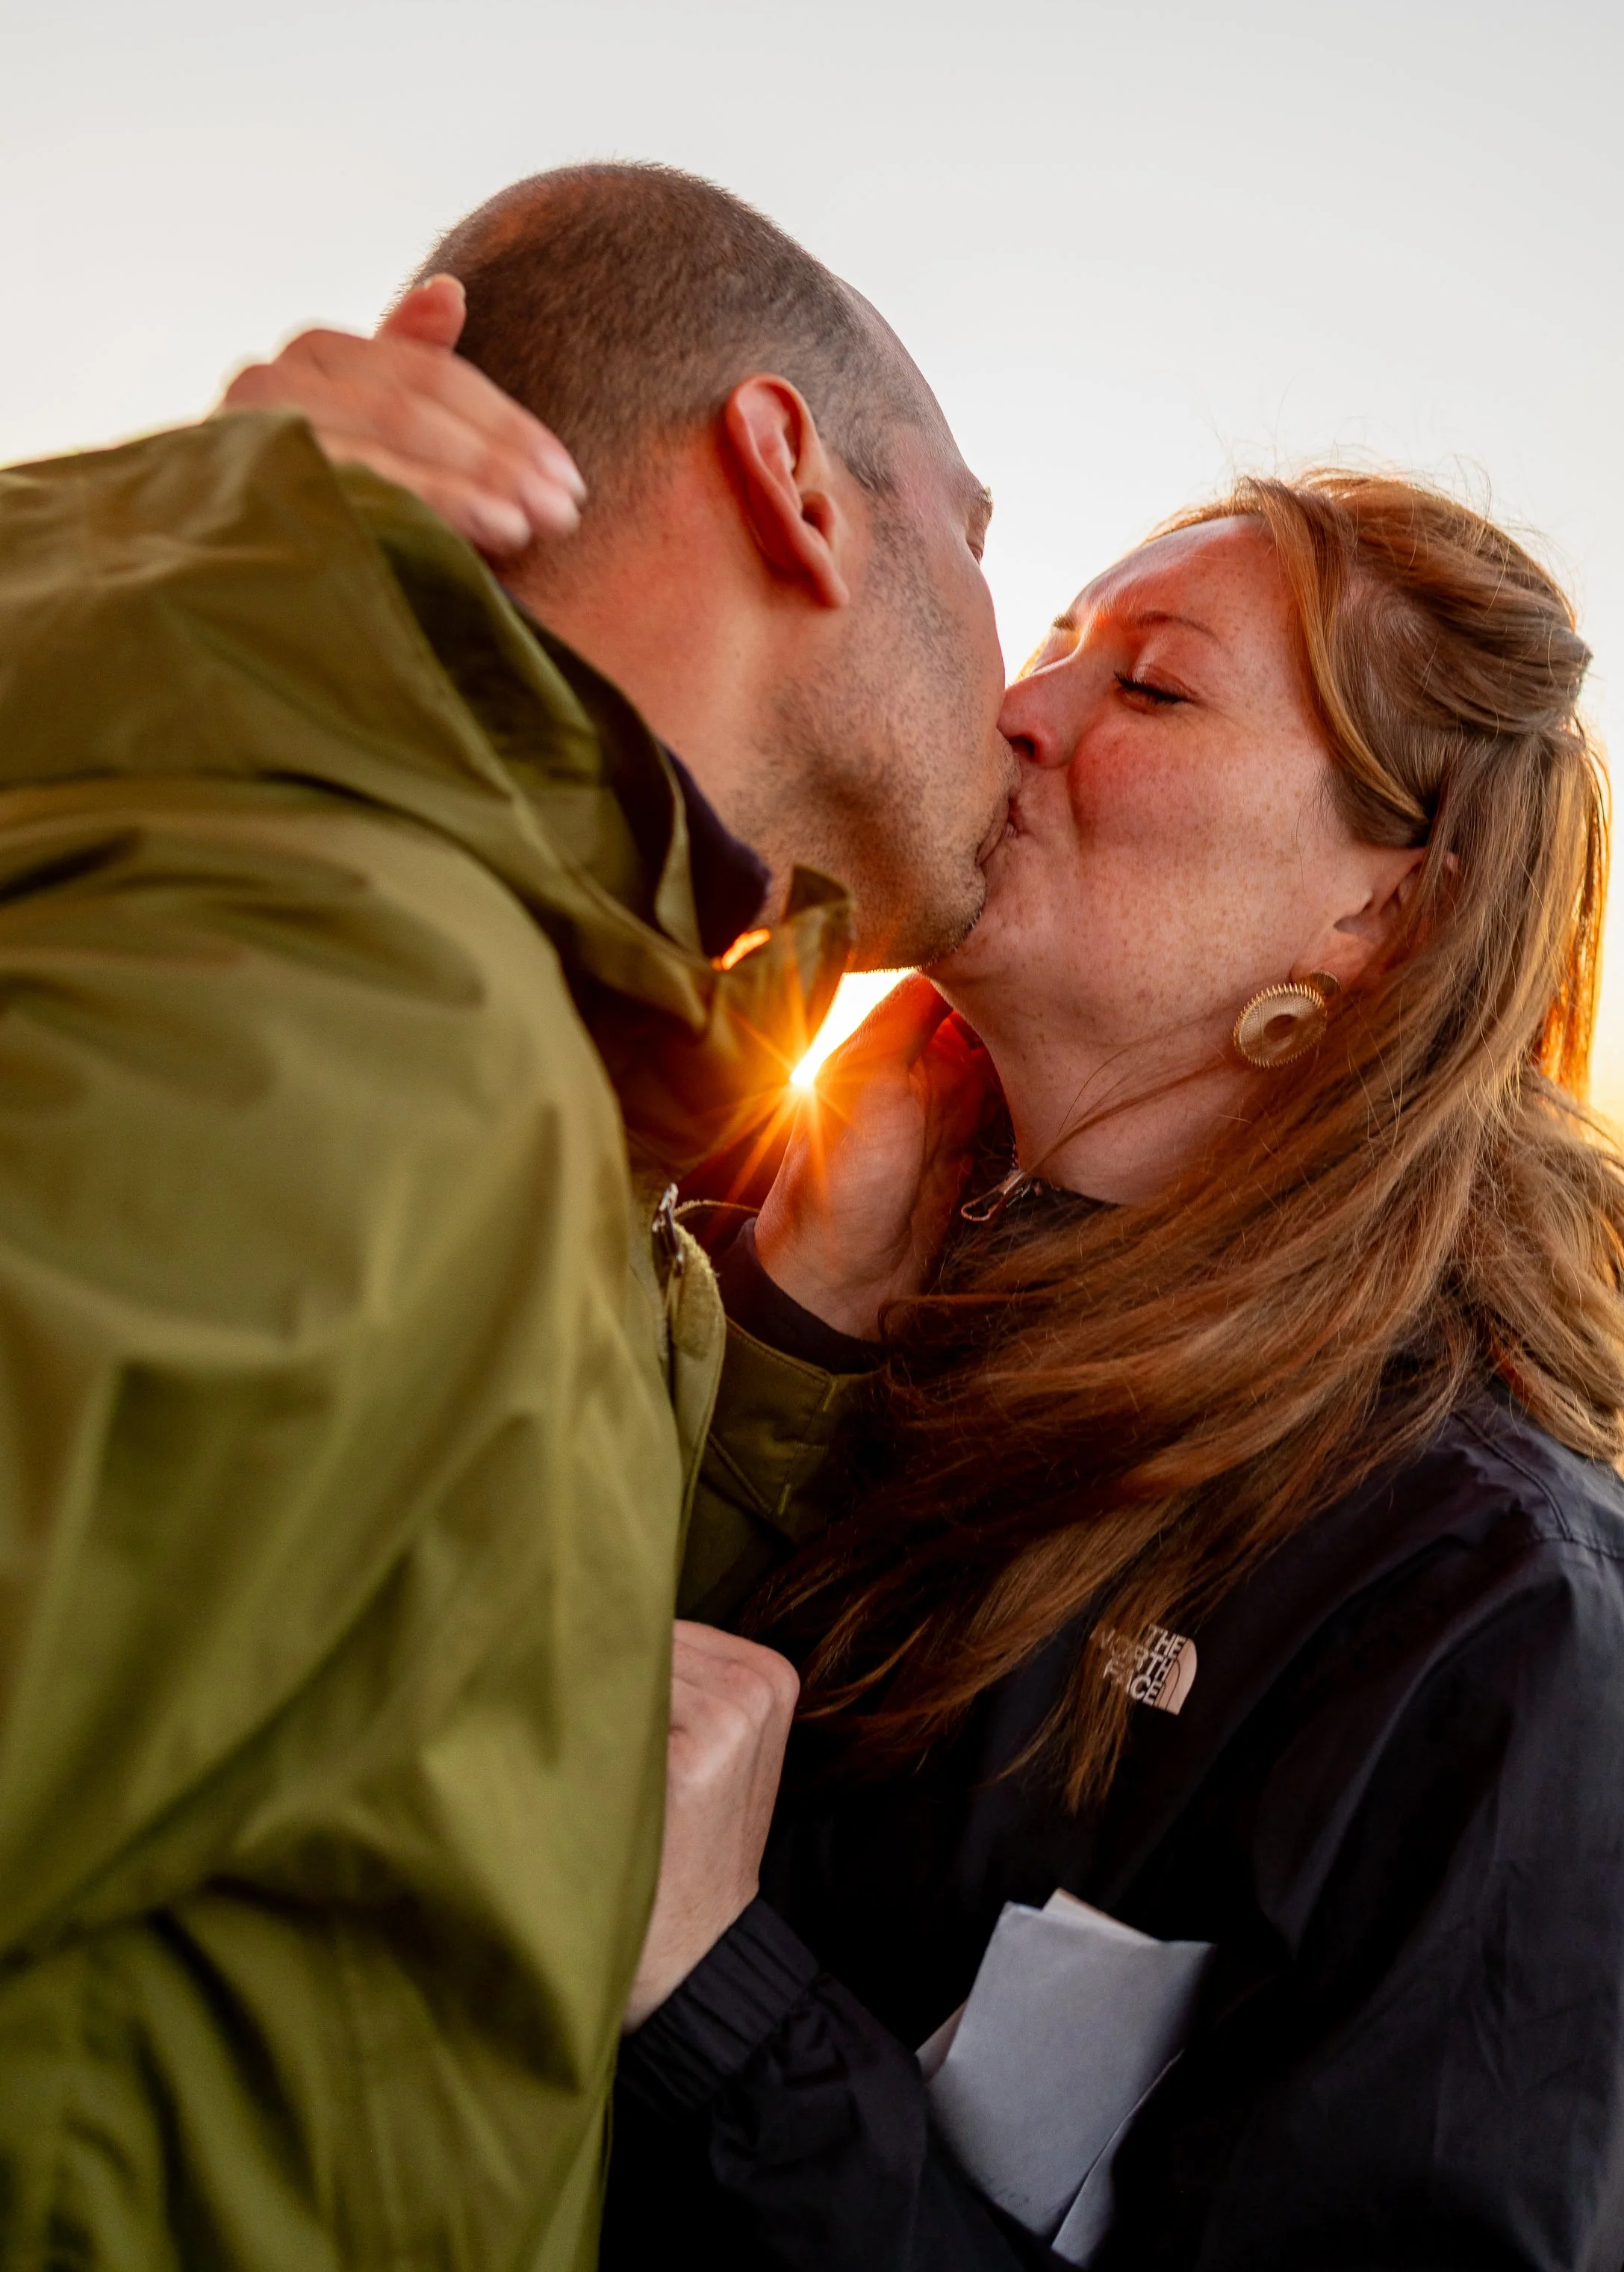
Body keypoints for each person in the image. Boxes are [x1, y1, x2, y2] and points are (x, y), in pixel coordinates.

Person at [251, 335, 1624, 2267]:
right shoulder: (796, 1278)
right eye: (1044, 638)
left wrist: (718, 1992)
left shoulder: (1494, 1617)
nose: (1014, 709)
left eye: (1148, 684)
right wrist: (798, 1306)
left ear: (1381, 915)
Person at [0, 163, 1009, 2271]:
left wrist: (781, 1341)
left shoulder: (483, 1000)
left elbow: (380, 1629)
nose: (1017, 694)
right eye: (980, 538)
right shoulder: (363, 1006)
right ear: (794, 484)